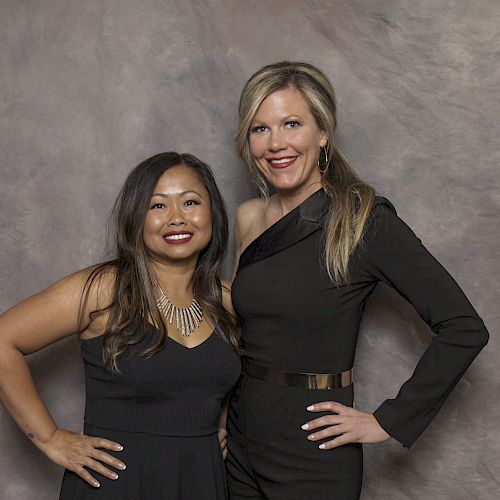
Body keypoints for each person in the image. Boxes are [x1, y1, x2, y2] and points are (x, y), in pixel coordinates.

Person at [226, 61, 489, 500]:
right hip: (241, 433)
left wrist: (388, 420)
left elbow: (464, 327)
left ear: (323, 132)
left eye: (292, 124)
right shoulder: (249, 216)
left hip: (312, 447)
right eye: (260, 129)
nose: (276, 144)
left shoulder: (362, 220)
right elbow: (243, 328)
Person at [0, 152, 240, 499]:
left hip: (201, 480)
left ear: (213, 214)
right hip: (116, 484)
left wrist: (223, 424)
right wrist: (50, 437)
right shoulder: (104, 289)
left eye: (191, 202)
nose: (177, 218)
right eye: (157, 206)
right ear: (135, 218)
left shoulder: (229, 300)